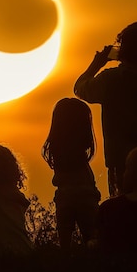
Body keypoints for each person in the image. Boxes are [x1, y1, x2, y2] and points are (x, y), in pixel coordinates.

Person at [74, 21, 137, 197]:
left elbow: (80, 89)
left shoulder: (111, 80)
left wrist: (97, 64)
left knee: (125, 215)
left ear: (124, 49)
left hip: (123, 161)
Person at [42, 98, 101, 251]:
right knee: (92, 238)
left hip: (64, 197)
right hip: (86, 197)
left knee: (65, 242)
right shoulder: (80, 155)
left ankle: (65, 264)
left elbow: (59, 179)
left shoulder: (58, 151)